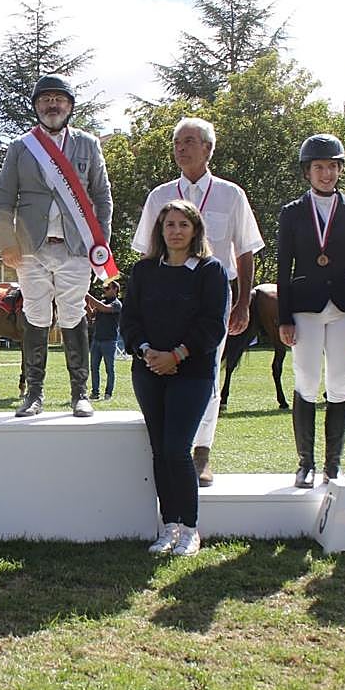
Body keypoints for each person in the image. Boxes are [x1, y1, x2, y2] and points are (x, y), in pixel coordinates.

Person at [131, 117, 263, 485]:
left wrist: (243, 303)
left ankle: (202, 451)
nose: (181, 148)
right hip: (163, 299)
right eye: (177, 142)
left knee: (207, 373)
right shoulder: (159, 196)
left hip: (212, 299)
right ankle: (171, 450)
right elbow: (145, 254)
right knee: (163, 368)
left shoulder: (231, 194)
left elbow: (245, 250)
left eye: (189, 141)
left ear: (208, 148)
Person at [0, 74, 118, 418]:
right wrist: (6, 241)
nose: (52, 105)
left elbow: (102, 196)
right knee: (35, 315)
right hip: (30, 248)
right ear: (36, 106)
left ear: (69, 106)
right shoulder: (20, 146)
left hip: (76, 246)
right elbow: (4, 198)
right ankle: (33, 394)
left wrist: (101, 243)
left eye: (59, 99)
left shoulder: (88, 144)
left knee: (73, 314)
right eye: (45, 99)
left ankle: (80, 393)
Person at [121, 200, 229, 557]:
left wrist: (177, 355)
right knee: (159, 451)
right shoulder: (144, 271)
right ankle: (169, 526)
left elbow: (212, 325)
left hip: (192, 373)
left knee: (177, 449)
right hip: (149, 370)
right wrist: (147, 351)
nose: (176, 231)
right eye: (170, 224)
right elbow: (130, 321)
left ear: (195, 229)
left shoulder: (211, 271)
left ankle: (190, 529)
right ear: (160, 230)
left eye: (184, 224)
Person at [277, 134, 345, 488]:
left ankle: (334, 464)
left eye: (332, 166)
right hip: (305, 306)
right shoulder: (292, 212)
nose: (326, 173)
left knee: (339, 382)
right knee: (306, 379)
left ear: (340, 169)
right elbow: (283, 267)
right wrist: (284, 317)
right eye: (319, 167)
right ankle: (306, 463)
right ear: (307, 171)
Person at [85, 280, 122, 401]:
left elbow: (105, 309)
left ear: (115, 290)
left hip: (109, 341)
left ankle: (108, 393)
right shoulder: (102, 302)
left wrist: (88, 295)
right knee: (94, 368)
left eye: (107, 288)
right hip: (97, 340)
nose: (104, 290)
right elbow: (91, 315)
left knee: (109, 369)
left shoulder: (117, 304)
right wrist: (86, 303)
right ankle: (95, 393)